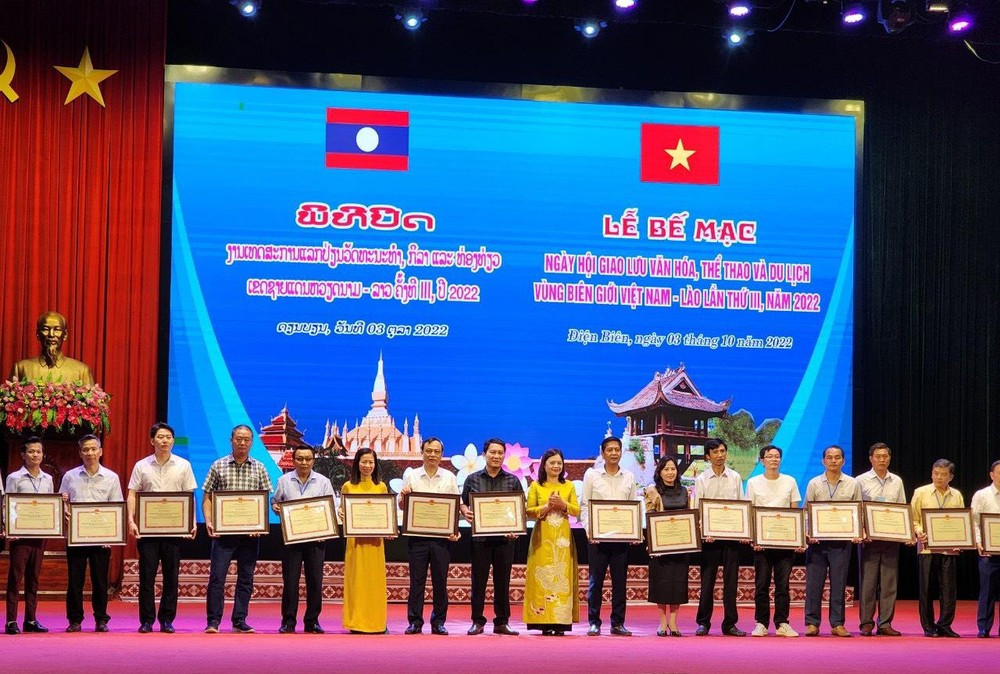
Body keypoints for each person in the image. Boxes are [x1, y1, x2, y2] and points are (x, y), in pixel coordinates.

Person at [202, 424, 273, 634]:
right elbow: (207, 498)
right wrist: (209, 521)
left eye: (246, 439)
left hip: (250, 534)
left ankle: (239, 620)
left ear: (252, 442)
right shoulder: (218, 465)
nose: (242, 443)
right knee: (217, 578)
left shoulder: (259, 467)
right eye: (238, 439)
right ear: (231, 440)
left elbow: (264, 500)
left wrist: (260, 524)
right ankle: (213, 621)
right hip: (223, 533)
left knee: (246, 578)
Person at [127, 422, 197, 633]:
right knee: (146, 577)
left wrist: (192, 522)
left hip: (174, 530)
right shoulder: (141, 466)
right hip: (147, 530)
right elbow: (132, 494)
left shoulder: (184, 465)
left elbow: (189, 496)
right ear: (152, 440)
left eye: (168, 437)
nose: (164, 441)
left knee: (171, 576)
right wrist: (131, 520)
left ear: (173, 440)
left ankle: (167, 619)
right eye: (160, 437)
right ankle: (146, 621)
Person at [60, 434, 124, 633]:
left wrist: (111, 536)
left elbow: (117, 508)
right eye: (85, 449)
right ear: (80, 453)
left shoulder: (111, 477)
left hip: (102, 537)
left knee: (100, 581)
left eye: (93, 449)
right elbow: (62, 503)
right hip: (76, 537)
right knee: (75, 581)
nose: (90, 453)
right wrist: (64, 508)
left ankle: (101, 619)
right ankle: (75, 620)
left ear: (100, 451)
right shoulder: (70, 476)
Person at [460, 438, 522, 636]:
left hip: (505, 539)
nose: (496, 456)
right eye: (492, 452)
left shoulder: (513, 480)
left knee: (503, 582)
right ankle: (477, 621)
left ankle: (502, 622)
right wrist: (464, 511)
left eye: (500, 453)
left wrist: (516, 527)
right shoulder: (472, 479)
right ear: (484, 454)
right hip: (480, 539)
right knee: (478, 581)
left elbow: (519, 508)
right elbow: (463, 503)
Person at [398, 437, 460, 635]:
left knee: (440, 581)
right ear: (422, 452)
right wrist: (404, 497)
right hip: (417, 538)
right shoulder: (412, 476)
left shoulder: (449, 477)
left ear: (441, 455)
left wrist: (454, 529)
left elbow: (455, 506)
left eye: (436, 451)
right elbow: (402, 506)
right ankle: (415, 622)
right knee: (417, 581)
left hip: (441, 539)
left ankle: (438, 622)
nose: (432, 454)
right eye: (429, 451)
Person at [271, 445, 334, 634]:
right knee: (290, 581)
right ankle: (288, 621)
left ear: (313, 460)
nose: (304, 462)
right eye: (299, 459)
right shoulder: (283, 481)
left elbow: (330, 506)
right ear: (293, 460)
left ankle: (312, 621)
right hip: (292, 539)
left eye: (308, 459)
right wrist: (275, 507)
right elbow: (275, 501)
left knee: (315, 581)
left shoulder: (323, 482)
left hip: (316, 538)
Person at [581, 436, 638, 636]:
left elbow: (633, 506)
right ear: (602, 453)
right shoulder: (592, 475)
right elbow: (585, 505)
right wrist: (589, 531)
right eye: (610, 450)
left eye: (617, 449)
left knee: (620, 583)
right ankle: (594, 622)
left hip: (621, 539)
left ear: (621, 452)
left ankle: (617, 623)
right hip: (598, 538)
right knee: (595, 582)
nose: (614, 453)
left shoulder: (629, 476)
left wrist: (634, 531)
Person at [803, 444, 862, 637]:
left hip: (842, 542)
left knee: (839, 584)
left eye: (837, 457)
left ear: (843, 461)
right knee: (814, 584)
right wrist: (807, 533)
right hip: (817, 543)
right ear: (823, 461)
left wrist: (857, 531)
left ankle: (837, 624)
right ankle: (812, 623)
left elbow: (858, 511)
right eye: (829, 457)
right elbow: (806, 512)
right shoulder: (814, 483)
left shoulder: (853, 483)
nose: (833, 460)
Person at [691, 438, 746, 636]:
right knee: (707, 581)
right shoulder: (702, 479)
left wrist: (743, 531)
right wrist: (703, 532)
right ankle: (703, 622)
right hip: (709, 539)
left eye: (722, 451)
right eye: (715, 452)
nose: (720, 455)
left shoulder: (735, 477)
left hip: (731, 537)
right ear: (708, 456)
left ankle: (730, 624)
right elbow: (697, 508)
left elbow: (741, 506)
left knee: (731, 581)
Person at [745, 444, 801, 638]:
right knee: (761, 585)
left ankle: (782, 623)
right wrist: (754, 538)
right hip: (761, 543)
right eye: (769, 456)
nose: (774, 459)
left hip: (785, 543)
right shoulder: (753, 483)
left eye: (777, 456)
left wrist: (796, 539)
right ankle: (761, 623)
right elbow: (750, 512)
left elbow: (794, 511)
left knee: (783, 586)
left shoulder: (790, 481)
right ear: (762, 461)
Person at [523, 448, 580, 636]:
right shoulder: (536, 486)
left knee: (562, 576)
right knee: (541, 576)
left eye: (559, 463)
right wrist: (547, 506)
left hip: (563, 538)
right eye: (552, 463)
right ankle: (543, 621)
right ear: (544, 465)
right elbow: (529, 511)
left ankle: (561, 621)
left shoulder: (569, 486)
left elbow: (576, 510)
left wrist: (563, 505)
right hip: (542, 536)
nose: (556, 466)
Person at [855, 441, 907, 636]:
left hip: (891, 539)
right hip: (868, 540)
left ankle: (885, 623)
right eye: (878, 456)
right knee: (868, 584)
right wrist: (861, 531)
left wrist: (903, 533)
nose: (882, 459)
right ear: (871, 459)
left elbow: (902, 508)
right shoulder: (860, 480)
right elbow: (856, 509)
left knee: (889, 583)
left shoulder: (897, 481)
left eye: (885, 456)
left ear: (889, 458)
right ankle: (866, 623)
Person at [5, 437, 53, 634]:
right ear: (23, 455)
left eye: (38, 451)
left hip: (40, 535)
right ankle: (11, 621)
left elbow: (51, 506)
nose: (35, 455)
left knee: (34, 578)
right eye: (31, 451)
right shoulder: (14, 478)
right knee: (15, 578)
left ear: (43, 455)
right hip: (20, 536)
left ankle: (30, 620)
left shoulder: (48, 479)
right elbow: (7, 506)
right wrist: (9, 529)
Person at [911, 458, 964, 638]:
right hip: (926, 547)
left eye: (943, 474)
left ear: (951, 477)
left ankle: (945, 625)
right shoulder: (921, 492)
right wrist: (919, 532)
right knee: (926, 588)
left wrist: (961, 539)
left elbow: (961, 521)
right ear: (931, 473)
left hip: (949, 548)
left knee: (948, 589)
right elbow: (913, 518)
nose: (939, 477)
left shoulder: (956, 495)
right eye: (936, 473)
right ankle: (928, 626)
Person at [341, 447, 391, 634]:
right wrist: (341, 513)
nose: (367, 465)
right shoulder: (348, 486)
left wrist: (389, 528)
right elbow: (343, 512)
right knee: (357, 582)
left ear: (375, 464)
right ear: (357, 463)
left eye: (371, 462)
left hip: (375, 542)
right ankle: (356, 623)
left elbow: (386, 514)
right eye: (364, 462)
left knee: (374, 583)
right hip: (355, 542)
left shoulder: (381, 487)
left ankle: (377, 623)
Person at [644, 454, 689, 637]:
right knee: (661, 583)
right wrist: (651, 544)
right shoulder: (652, 491)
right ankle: (662, 622)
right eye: (666, 469)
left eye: (673, 469)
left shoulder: (684, 491)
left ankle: (674, 621)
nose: (670, 472)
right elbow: (649, 517)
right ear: (660, 472)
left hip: (681, 545)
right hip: (660, 546)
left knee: (678, 583)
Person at [10, 311, 94, 384]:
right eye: (46, 329)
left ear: (65, 335)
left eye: (57, 330)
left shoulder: (82, 371)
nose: (51, 334)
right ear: (38, 334)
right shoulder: (21, 368)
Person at [971, 459, 1000, 638]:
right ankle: (984, 627)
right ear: (992, 475)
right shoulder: (982, 495)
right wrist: (979, 542)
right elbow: (974, 521)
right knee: (987, 590)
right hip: (988, 550)